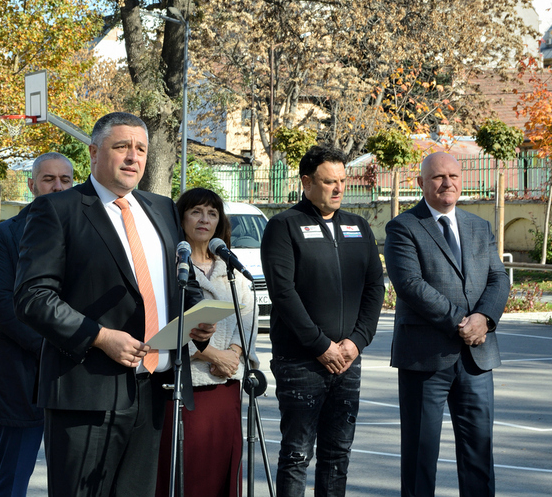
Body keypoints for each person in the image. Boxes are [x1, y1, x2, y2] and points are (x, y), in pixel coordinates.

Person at [14, 111, 213, 497]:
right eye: (121, 147)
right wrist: (99, 336)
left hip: (156, 388)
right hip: (87, 391)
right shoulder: (57, 210)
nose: (132, 157)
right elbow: (33, 297)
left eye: (140, 149)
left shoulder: (161, 208)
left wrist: (194, 317)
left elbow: (175, 283)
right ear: (93, 152)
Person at [261, 145, 385, 497]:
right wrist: (320, 346)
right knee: (298, 454)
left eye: (342, 181)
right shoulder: (284, 226)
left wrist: (357, 342)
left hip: (347, 359)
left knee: (338, 454)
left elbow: (375, 286)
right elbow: (283, 293)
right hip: (301, 361)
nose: (338, 189)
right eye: (329, 182)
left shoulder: (358, 227)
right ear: (306, 182)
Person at [384, 151, 509, 497]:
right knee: (421, 459)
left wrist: (484, 319)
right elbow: (410, 286)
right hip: (425, 360)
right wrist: (462, 322)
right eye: (438, 177)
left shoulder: (479, 227)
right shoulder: (403, 227)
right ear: (421, 183)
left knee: (478, 458)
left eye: (453, 176)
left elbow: (498, 279)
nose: (447, 183)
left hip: (477, 359)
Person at [154, 187, 259, 497]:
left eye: (212, 213)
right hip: (187, 386)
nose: (205, 219)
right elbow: (165, 326)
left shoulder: (231, 271)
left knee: (223, 468)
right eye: (196, 212)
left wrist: (234, 354)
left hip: (227, 385)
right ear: (181, 218)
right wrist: (212, 355)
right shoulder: (172, 269)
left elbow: (248, 317)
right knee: (189, 471)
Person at [0, 152, 74, 497]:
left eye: (65, 180)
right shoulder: (4, 235)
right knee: (12, 482)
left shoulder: (85, 231)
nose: (57, 186)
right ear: (32, 184)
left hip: (73, 376)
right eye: (49, 179)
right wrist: (58, 344)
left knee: (72, 480)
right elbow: (1, 306)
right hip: (21, 374)